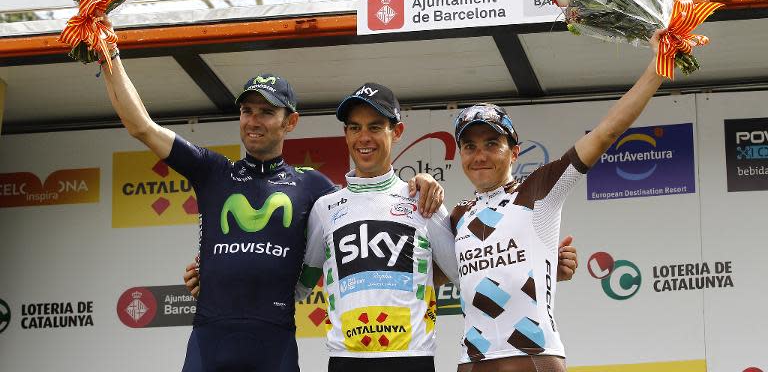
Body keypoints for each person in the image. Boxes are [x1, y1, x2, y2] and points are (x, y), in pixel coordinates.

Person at [97, 37, 443, 372]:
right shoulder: (212, 171)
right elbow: (141, 126)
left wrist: (420, 182)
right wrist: (107, 52)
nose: (253, 120)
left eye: (266, 111)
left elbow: (370, 204)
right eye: (247, 110)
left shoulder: (314, 187)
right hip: (209, 340)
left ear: (289, 122)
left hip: (274, 345)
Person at [298, 83, 579, 372]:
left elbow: (467, 271)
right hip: (345, 361)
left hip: (412, 359)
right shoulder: (325, 208)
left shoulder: (423, 201)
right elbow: (300, 286)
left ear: (396, 132)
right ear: (345, 134)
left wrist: (539, 263)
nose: (364, 137)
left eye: (375, 126)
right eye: (355, 127)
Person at [449, 30, 669, 372]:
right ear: (460, 155)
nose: (480, 155)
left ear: (514, 152)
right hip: (472, 363)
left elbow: (607, 132)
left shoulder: (539, 189)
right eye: (470, 146)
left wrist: (658, 66)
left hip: (534, 357)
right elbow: (433, 273)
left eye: (492, 143)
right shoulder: (458, 216)